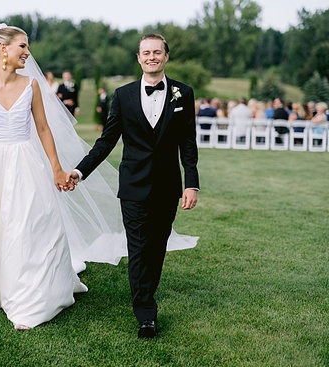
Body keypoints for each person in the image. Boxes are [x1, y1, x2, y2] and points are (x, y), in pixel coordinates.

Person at [0, 24, 88, 330]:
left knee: (29, 224)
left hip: (26, 162)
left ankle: (29, 295)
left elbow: (42, 128)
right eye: (22, 46)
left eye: (27, 47)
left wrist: (56, 168)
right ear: (3, 50)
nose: (28, 53)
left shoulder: (31, 85)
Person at [69, 33, 200, 338]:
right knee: (139, 248)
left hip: (168, 186)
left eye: (157, 52)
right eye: (146, 52)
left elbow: (188, 142)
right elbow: (106, 142)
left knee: (156, 248)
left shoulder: (184, 93)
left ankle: (146, 294)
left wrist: (191, 183)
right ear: (139, 59)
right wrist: (80, 171)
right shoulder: (123, 96)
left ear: (166, 56)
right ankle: (145, 312)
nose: (151, 56)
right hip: (133, 186)